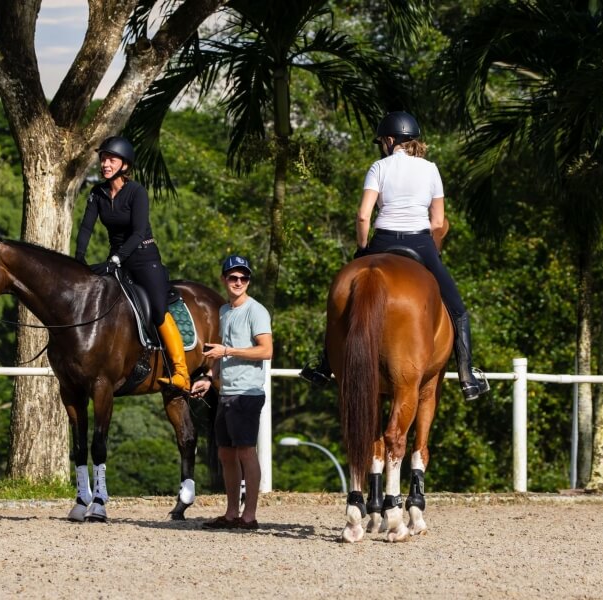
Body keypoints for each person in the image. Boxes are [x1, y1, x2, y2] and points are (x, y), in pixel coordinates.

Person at [300, 111, 489, 401]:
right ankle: (467, 376)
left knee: (343, 301)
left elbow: (363, 216)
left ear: (390, 140)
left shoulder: (379, 167)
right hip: (421, 244)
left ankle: (324, 367)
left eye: (382, 143)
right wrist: (431, 246)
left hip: (382, 240)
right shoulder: (430, 169)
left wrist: (363, 249)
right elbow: (438, 221)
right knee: (458, 309)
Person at [74, 135, 190, 392]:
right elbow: (86, 227)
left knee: (158, 309)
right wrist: (79, 258)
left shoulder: (137, 192)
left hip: (144, 258)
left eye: (111, 160)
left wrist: (115, 260)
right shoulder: (97, 193)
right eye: (103, 159)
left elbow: (138, 233)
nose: (105, 164)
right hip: (117, 260)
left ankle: (181, 371)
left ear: (124, 165)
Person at [191, 255, 273, 530]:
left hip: (247, 393)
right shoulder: (225, 311)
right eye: (233, 277)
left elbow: (266, 350)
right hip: (226, 392)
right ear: (223, 279)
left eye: (244, 278)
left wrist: (227, 350)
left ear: (248, 281)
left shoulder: (256, 311)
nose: (239, 282)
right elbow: (221, 354)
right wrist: (209, 377)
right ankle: (230, 513)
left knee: (246, 452)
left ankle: (249, 517)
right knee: (226, 454)